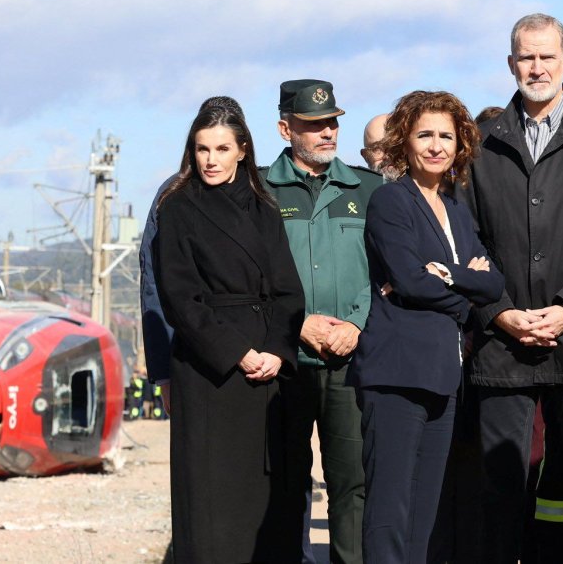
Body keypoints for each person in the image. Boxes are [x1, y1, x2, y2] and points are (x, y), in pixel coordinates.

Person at [458, 13, 563, 564]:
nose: (536, 67)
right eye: (525, 57)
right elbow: (467, 239)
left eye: (545, 56)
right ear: (510, 63)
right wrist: (501, 312)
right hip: (501, 345)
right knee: (500, 488)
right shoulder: (479, 144)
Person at [347, 90, 504, 562]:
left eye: (446, 136)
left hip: (442, 373)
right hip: (395, 373)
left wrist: (450, 274)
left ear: (460, 145)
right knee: (390, 509)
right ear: (403, 142)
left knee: (424, 512)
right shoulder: (390, 201)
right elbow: (412, 282)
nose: (436, 146)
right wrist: (464, 292)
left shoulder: (456, 207)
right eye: (425, 135)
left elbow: (494, 282)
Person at [154, 102, 305, 563]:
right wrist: (239, 352)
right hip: (210, 372)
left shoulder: (264, 207)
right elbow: (180, 300)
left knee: (266, 501)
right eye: (202, 149)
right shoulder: (177, 207)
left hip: (268, 371)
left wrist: (277, 350)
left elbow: (288, 291)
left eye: (222, 148)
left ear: (243, 150)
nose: (211, 160)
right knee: (211, 500)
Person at [262, 79, 383, 564]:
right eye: (313, 125)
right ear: (285, 128)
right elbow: (251, 276)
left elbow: (386, 272)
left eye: (332, 122)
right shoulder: (258, 193)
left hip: (349, 360)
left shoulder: (369, 189)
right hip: (284, 359)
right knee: (285, 481)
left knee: (351, 482)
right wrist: (298, 323)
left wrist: (356, 324)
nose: (327, 132)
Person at [140, 95, 246, 418]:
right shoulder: (171, 196)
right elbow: (154, 285)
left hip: (252, 359)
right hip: (190, 359)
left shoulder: (259, 195)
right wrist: (164, 373)